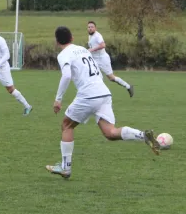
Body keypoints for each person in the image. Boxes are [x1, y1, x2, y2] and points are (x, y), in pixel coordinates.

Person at [46, 26, 159, 179]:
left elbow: (66, 76)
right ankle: (142, 136)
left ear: (57, 41)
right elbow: (97, 71)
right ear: (72, 38)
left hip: (88, 94)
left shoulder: (63, 54)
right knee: (110, 133)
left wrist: (58, 99)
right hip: (103, 92)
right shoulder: (83, 49)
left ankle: (66, 168)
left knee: (66, 125)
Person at [0, 22, 32, 116]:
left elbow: (7, 55)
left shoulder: (0, 40)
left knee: (11, 90)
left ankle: (27, 106)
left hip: (2, 69)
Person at [87, 21, 134, 97]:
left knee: (111, 78)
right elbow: (93, 47)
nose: (90, 28)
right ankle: (98, 94)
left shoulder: (97, 36)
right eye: (89, 27)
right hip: (95, 60)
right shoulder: (90, 36)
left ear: (95, 28)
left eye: (92, 27)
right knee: (94, 76)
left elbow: (103, 45)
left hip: (102, 59)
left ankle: (128, 86)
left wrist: (91, 50)